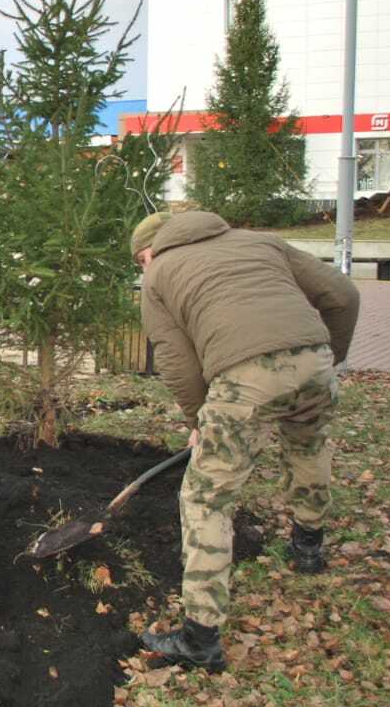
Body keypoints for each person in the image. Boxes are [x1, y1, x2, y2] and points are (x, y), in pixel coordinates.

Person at [131, 210, 360, 672]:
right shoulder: (262, 240)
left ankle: (200, 637)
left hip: (245, 378)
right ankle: (308, 548)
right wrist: (327, 357)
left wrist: (200, 418)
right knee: (307, 447)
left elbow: (176, 362)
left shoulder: (159, 275)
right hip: (314, 363)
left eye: (140, 260)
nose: (143, 268)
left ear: (151, 250)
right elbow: (343, 293)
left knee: (207, 496)